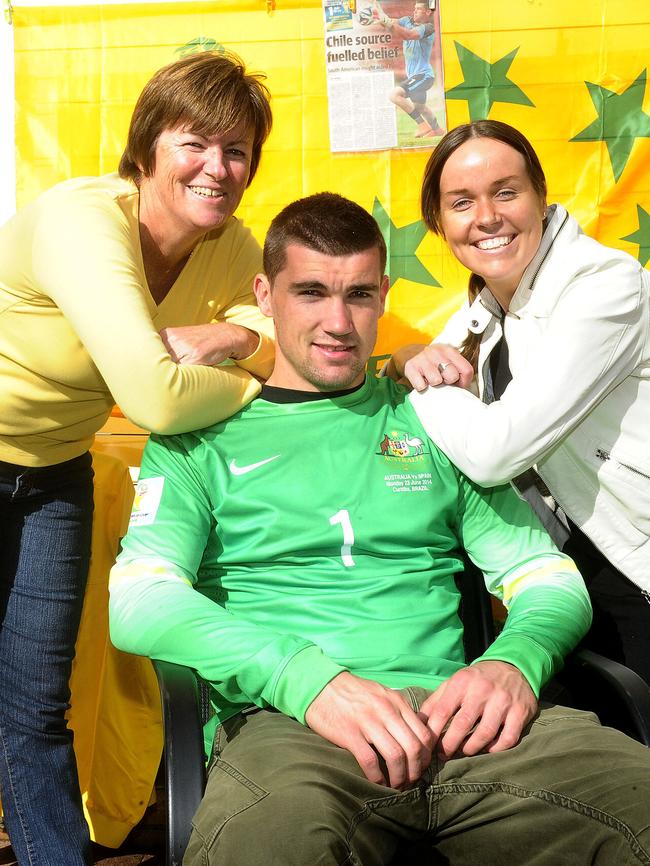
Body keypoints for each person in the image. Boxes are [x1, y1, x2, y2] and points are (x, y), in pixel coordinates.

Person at [109, 193, 650, 866]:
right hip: (293, 729)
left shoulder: (432, 417)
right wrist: (307, 681)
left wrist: (517, 660)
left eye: (359, 295)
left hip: (470, 722)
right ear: (264, 294)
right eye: (311, 292)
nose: (339, 322)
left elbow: (545, 577)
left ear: (383, 295)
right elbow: (139, 600)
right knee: (267, 848)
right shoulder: (197, 435)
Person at [0, 51, 274, 865]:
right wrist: (251, 380)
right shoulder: (84, 221)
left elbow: (287, 341)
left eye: (237, 151)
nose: (217, 168)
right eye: (196, 143)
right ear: (149, 144)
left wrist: (234, 336)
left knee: (37, 708)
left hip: (53, 473)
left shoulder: (232, 248)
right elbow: (154, 399)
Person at [387, 119, 650, 684]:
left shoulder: (604, 287)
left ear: (541, 196)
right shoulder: (492, 303)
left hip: (635, 568)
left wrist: (419, 374)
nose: (486, 217)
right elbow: (433, 361)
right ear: (440, 221)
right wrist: (409, 354)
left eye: (506, 192)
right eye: (462, 202)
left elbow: (493, 452)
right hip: (566, 578)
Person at [372, 0, 445, 138]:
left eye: (418, 9)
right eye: (414, 8)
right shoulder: (406, 20)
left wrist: (387, 22)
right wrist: (379, 16)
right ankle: (437, 130)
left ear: (427, 12)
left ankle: (422, 126)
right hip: (416, 76)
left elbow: (409, 35)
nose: (414, 11)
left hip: (423, 75)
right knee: (420, 107)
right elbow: (390, 23)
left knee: (394, 95)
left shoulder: (428, 28)